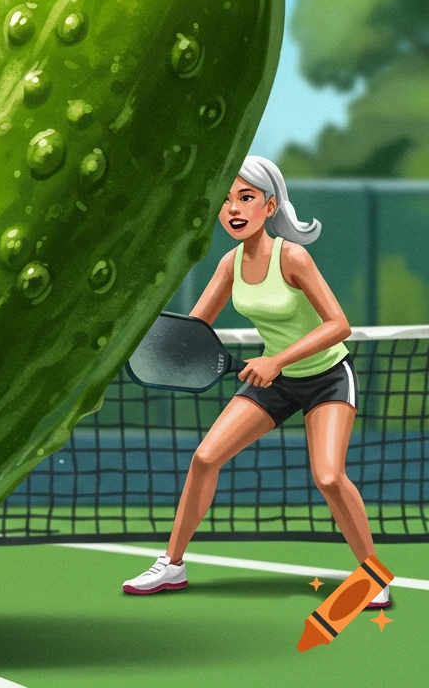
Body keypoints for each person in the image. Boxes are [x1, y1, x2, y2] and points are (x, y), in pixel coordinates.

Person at [123, 155, 389, 609]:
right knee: (205, 457)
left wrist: (278, 359)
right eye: (226, 200)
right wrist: (141, 345)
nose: (234, 208)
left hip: (326, 376)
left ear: (269, 206)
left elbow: (338, 324)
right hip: (276, 380)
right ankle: (172, 564)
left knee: (328, 476)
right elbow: (195, 328)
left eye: (245, 197)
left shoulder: (294, 258)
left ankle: (371, 575)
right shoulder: (229, 263)